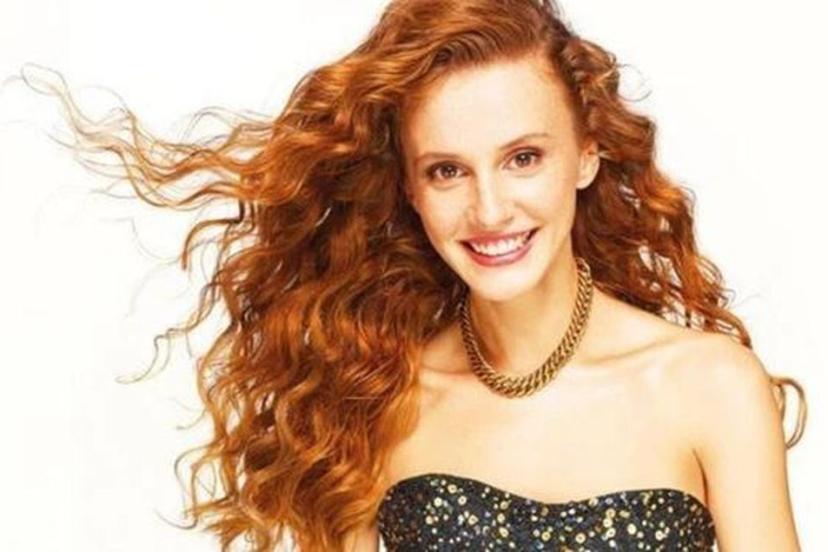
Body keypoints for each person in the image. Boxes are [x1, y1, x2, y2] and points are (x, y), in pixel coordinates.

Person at [14, 0, 807, 550]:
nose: (489, 209)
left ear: (587, 155)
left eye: (523, 157)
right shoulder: (378, 398)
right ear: (409, 189)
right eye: (447, 170)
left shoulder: (711, 386)